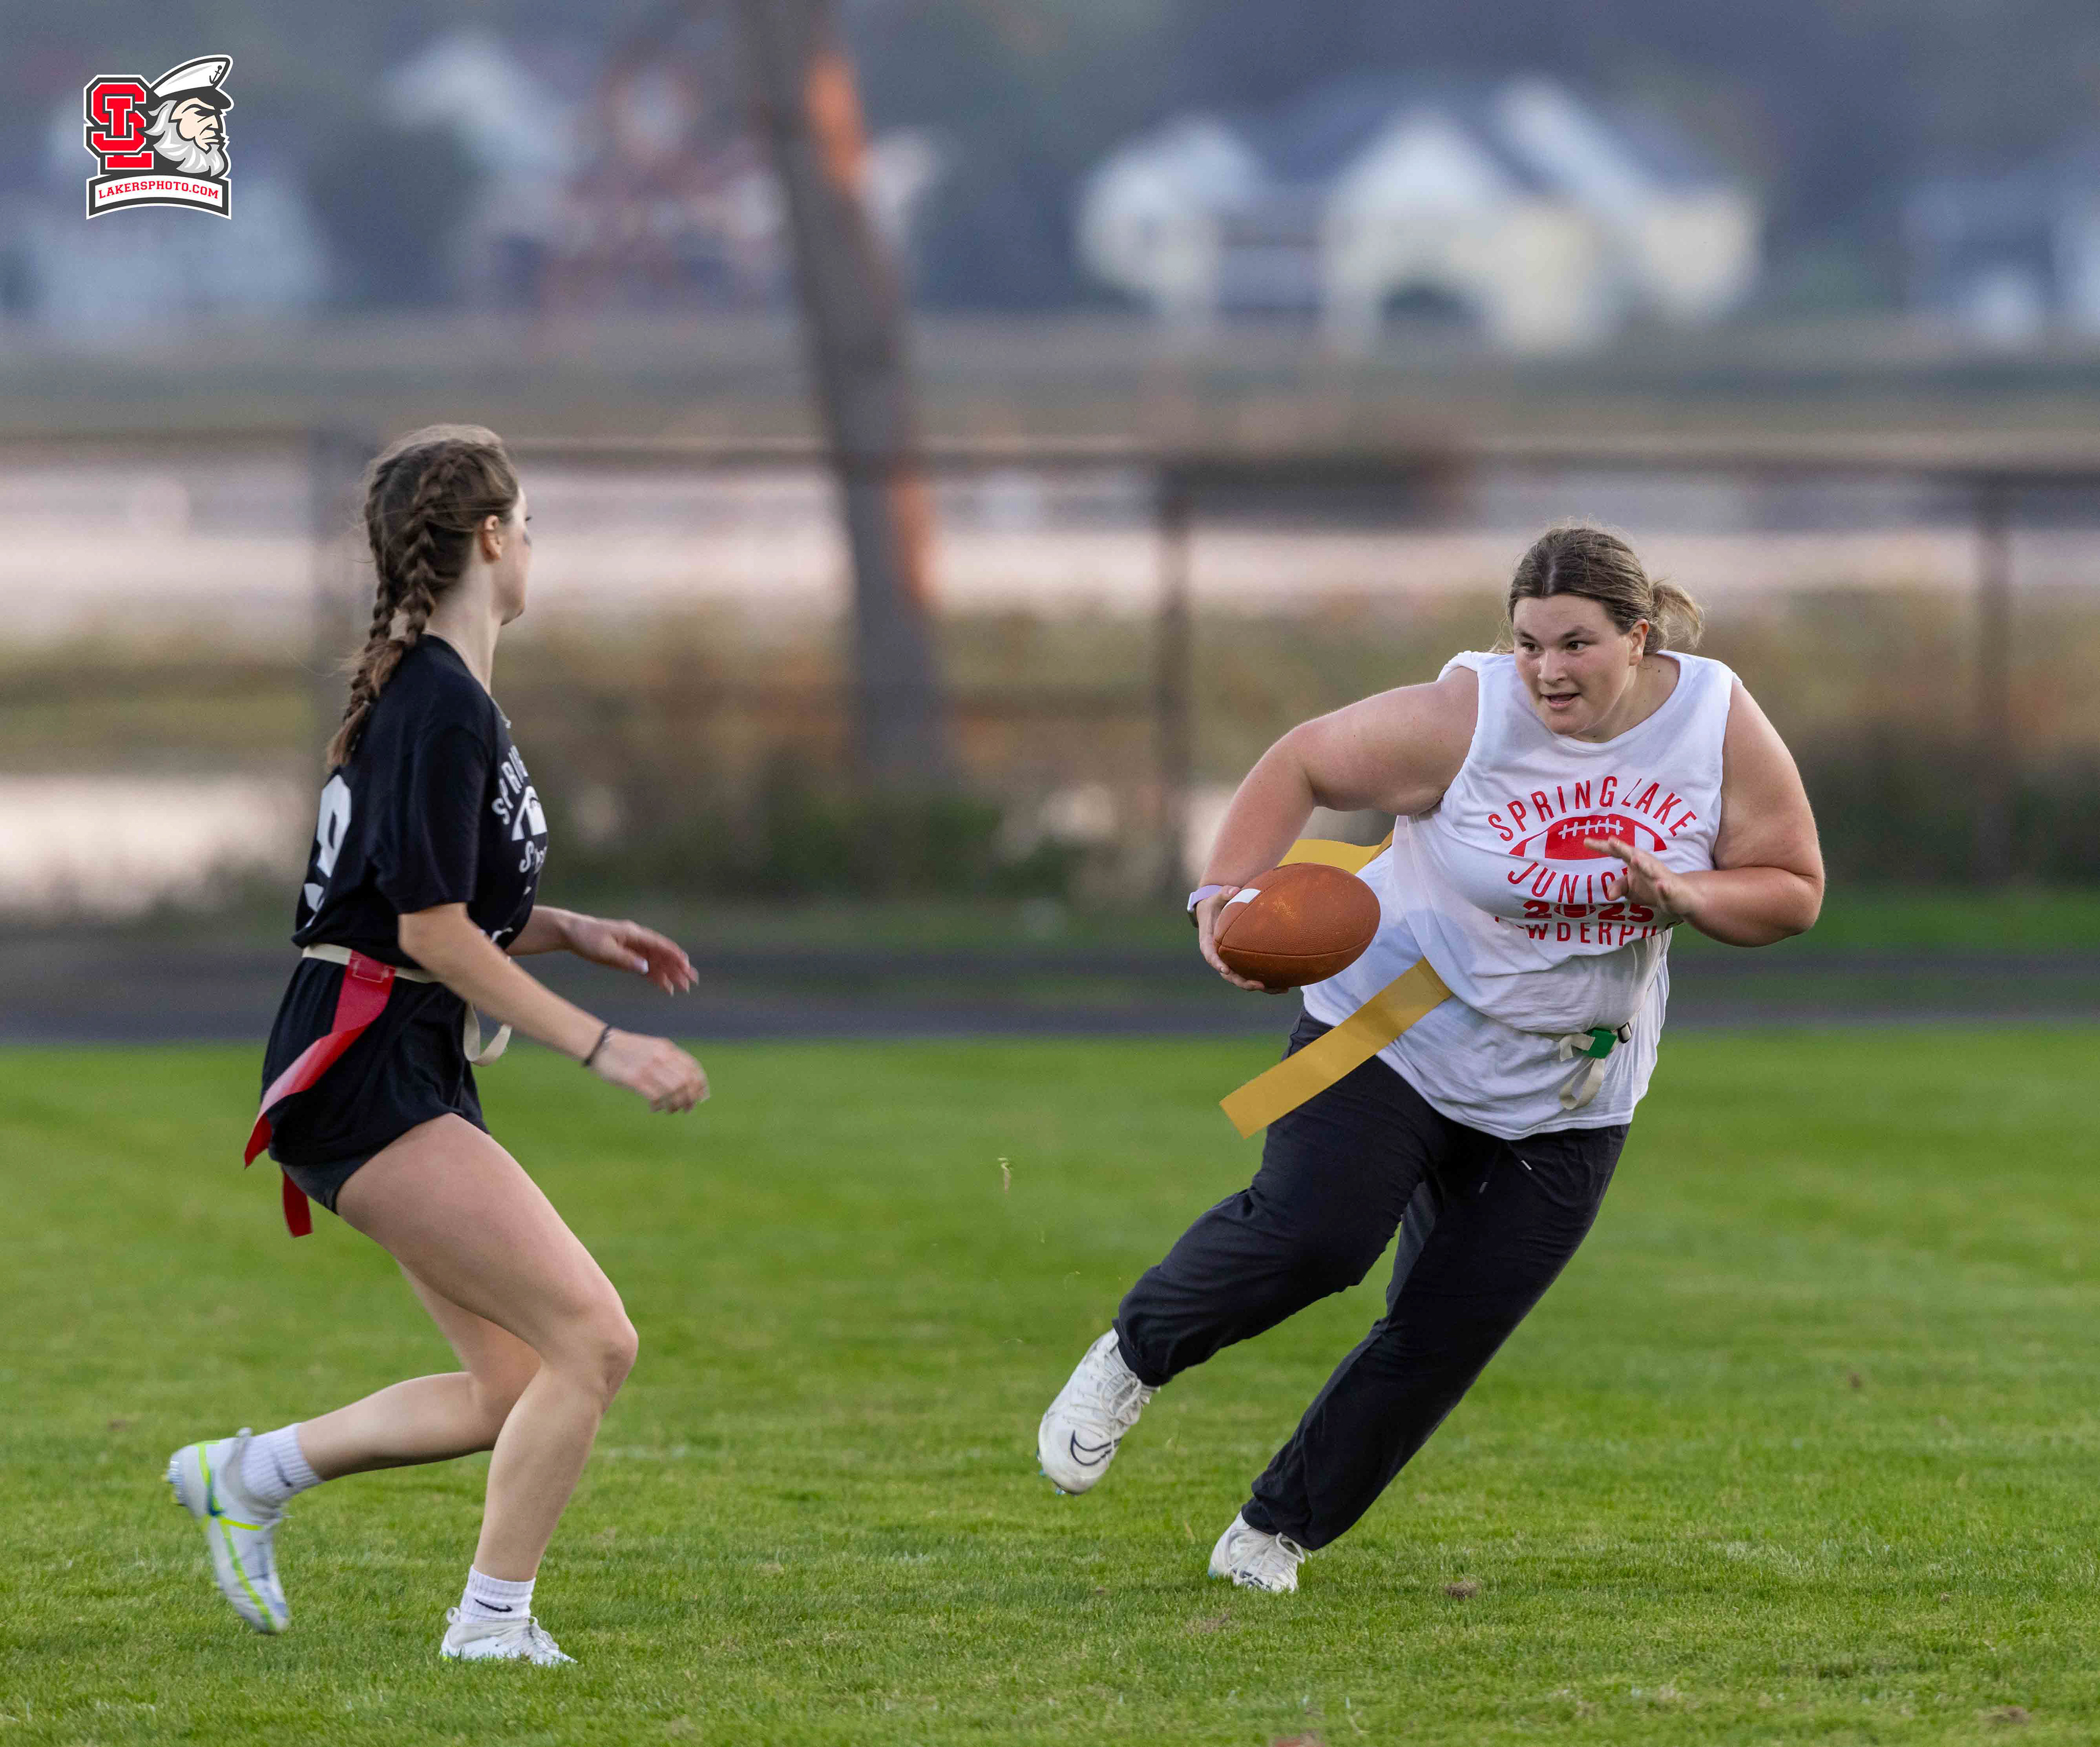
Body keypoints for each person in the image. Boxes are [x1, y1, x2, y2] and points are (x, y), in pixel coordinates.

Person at [1037, 524, 1823, 1593]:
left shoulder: (1713, 717)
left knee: (1447, 1330)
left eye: (1578, 644)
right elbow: (1302, 760)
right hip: (1398, 1030)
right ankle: (1132, 1357)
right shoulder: (1471, 716)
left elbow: (1793, 887)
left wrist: (1689, 893)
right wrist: (1219, 894)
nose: (1548, 670)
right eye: (1530, 642)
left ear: (1639, 636)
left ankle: (1274, 1532)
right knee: (1318, 1239)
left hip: (1570, 1083)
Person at [166, 424, 708, 1664]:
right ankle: (490, 1624)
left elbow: (424, 902)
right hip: (363, 1070)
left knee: (516, 1384)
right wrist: (604, 1046)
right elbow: (430, 932)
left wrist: (572, 930)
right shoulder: (439, 702)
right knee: (596, 1340)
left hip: (398, 1060)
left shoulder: (440, 693)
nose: (536, 547)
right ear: (492, 538)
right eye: (531, 525)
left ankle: (251, 1474)